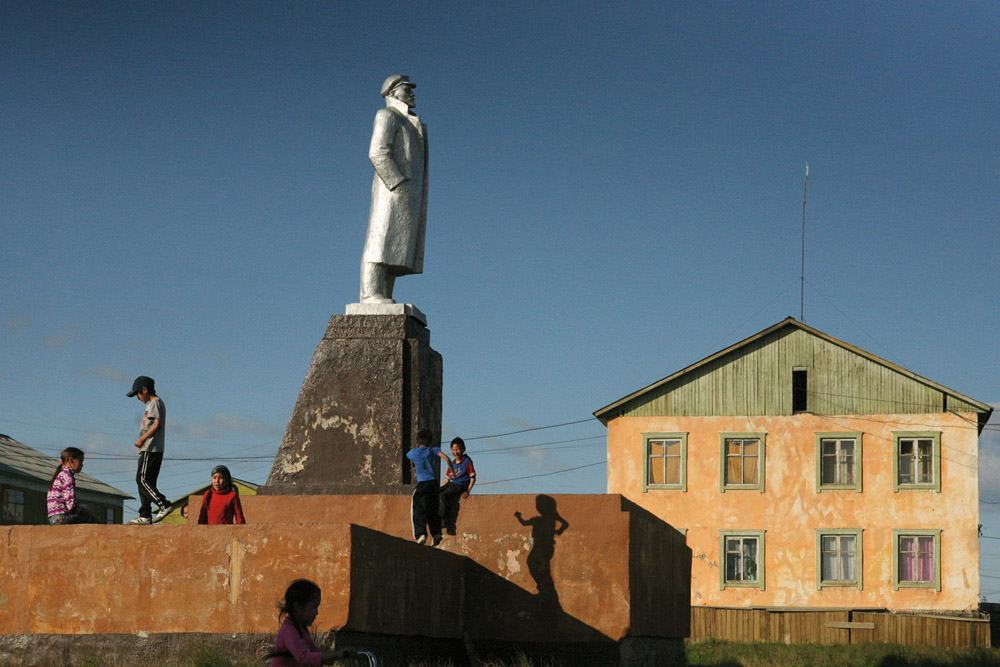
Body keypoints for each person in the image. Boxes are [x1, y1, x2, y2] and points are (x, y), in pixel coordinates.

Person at [359, 74, 428, 304]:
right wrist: (397, 182)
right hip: (391, 189)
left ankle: (385, 294)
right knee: (380, 240)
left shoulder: (410, 121)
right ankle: (370, 294)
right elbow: (378, 152)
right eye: (406, 88)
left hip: (407, 191)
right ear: (392, 92)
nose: (411, 92)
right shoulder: (387, 115)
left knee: (395, 245)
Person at [267, 579, 352, 666]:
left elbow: (316, 651)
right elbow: (303, 658)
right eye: (314, 607)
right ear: (297, 607)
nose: (317, 613)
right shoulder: (289, 630)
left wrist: (340, 654)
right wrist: (338, 654)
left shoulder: (301, 629)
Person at [125, 375, 171, 524]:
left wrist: (142, 439)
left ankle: (164, 504)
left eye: (138, 394)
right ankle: (145, 514)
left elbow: (156, 425)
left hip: (151, 449)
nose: (138, 398)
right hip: (149, 449)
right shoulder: (151, 405)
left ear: (144, 390)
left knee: (142, 479)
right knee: (146, 481)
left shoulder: (155, 403)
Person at [406, 428, 453, 546]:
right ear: (430, 441)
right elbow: (447, 458)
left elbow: (411, 462)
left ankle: (421, 533)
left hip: (422, 484)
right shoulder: (433, 450)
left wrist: (415, 464)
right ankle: (436, 533)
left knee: (418, 508)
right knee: (433, 509)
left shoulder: (413, 453)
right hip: (434, 484)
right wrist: (452, 471)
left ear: (417, 441)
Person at [47, 447, 100, 524]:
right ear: (71, 460)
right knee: (94, 523)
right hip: (62, 517)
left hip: (54, 518)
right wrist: (83, 511)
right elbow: (71, 505)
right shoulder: (67, 476)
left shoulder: (60, 475)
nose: (82, 465)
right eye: (81, 461)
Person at [439, 437, 476, 535]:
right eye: (453, 450)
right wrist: (441, 488)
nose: (455, 452)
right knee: (436, 493)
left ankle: (444, 520)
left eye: (457, 449)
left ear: (463, 449)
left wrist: (467, 491)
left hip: (459, 486)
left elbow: (472, 478)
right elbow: (447, 479)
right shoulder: (452, 463)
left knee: (443, 496)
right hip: (451, 484)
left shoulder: (467, 461)